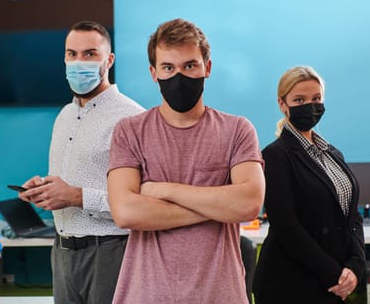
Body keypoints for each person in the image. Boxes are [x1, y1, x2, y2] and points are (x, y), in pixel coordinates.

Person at [107, 18, 265, 303]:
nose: (179, 76)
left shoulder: (238, 130)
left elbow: (249, 204)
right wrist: (217, 207)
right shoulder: (129, 132)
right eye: (168, 67)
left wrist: (163, 190)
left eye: (190, 65)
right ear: (154, 73)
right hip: (146, 295)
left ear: (208, 67)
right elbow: (126, 213)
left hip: (219, 294)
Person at [19, 20, 144, 304]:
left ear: (109, 60)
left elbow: (140, 204)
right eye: (71, 54)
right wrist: (45, 189)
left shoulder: (132, 120)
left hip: (110, 252)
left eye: (90, 54)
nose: (78, 62)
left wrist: (76, 196)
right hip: (62, 252)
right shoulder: (64, 115)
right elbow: (68, 183)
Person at [252, 66, 365, 304]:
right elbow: (286, 227)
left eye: (316, 99)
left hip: (332, 282)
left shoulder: (333, 153)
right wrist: (334, 275)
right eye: (299, 100)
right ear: (283, 104)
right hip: (290, 284)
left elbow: (352, 214)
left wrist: (356, 265)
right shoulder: (275, 156)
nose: (309, 106)